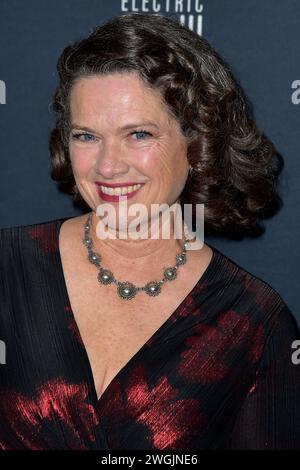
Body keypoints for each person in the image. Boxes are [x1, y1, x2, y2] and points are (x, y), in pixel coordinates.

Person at [0, 13, 299, 450]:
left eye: (138, 134)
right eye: (86, 136)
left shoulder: (255, 324)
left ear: (197, 143)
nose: (107, 166)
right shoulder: (8, 269)